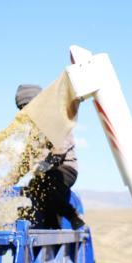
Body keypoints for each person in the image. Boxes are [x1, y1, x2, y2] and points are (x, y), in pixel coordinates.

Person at [15, 84, 84, 230]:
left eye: (28, 107)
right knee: (32, 188)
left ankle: (73, 216)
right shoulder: (33, 131)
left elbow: (61, 148)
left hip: (64, 168)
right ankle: (49, 226)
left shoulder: (56, 120)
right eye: (22, 109)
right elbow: (27, 158)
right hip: (44, 173)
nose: (26, 112)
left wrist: (44, 165)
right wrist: (12, 178)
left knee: (49, 187)